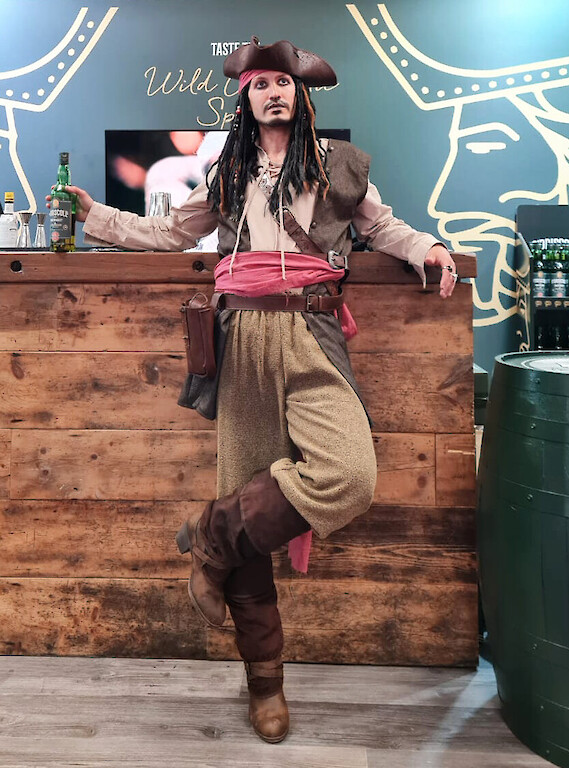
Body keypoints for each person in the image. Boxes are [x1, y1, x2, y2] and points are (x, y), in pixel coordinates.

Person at [47, 36, 457, 744]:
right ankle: (264, 684)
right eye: (260, 83)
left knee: (350, 475)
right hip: (242, 337)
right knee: (245, 496)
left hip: (315, 333)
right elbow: (171, 233)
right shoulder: (228, 170)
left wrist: (430, 248)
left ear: (301, 95)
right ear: (246, 97)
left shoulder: (340, 165)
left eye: (283, 82)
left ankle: (211, 535)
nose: (273, 92)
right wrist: (95, 217)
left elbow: (383, 227)